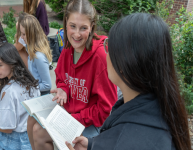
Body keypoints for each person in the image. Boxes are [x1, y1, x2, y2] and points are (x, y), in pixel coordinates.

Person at [65, 13, 191, 150]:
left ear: (125, 63)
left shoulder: (129, 141)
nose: (105, 54)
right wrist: (92, 145)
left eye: (108, 47)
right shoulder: (160, 108)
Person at [27, 0, 117, 149]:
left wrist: (73, 119)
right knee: (32, 120)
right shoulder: (69, 48)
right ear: (66, 23)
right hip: (70, 111)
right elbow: (62, 77)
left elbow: (106, 109)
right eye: (72, 26)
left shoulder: (100, 57)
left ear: (92, 27)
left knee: (39, 131)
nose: (76, 34)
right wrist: (63, 88)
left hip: (92, 122)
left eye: (83, 28)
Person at [20, 15, 52, 95]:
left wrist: (28, 87)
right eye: (21, 33)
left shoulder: (39, 57)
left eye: (24, 34)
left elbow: (47, 85)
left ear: (32, 35)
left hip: (41, 96)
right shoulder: (30, 49)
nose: (21, 37)